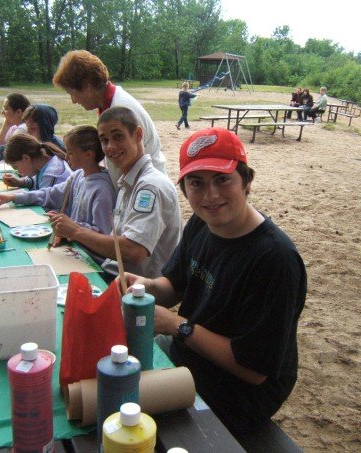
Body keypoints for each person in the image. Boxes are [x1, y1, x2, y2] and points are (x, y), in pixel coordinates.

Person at [125, 127, 307, 435]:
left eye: (222, 179)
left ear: (247, 181)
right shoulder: (201, 223)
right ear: (184, 189)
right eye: (197, 183)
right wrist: (144, 287)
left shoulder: (275, 259)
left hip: (238, 392)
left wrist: (175, 325)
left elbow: (254, 371)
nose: (210, 196)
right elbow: (175, 285)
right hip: (190, 354)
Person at [49, 106, 181, 279]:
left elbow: (134, 251)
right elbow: (114, 242)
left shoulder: (150, 187)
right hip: (114, 274)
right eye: (104, 140)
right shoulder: (127, 182)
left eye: (118, 136)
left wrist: (76, 232)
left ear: (138, 135)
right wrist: (73, 235)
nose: (110, 147)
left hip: (137, 292)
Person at [52, 50, 166, 187]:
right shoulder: (110, 104)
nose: (73, 101)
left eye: (72, 93)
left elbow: (130, 158)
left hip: (143, 187)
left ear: (87, 86)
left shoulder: (121, 107)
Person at [0, 125, 115, 237]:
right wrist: (14, 197)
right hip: (73, 242)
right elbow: (50, 194)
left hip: (91, 254)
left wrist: (70, 226)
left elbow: (102, 234)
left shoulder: (102, 190)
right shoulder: (78, 175)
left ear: (88, 155)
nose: (66, 157)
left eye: (70, 153)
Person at [0, 133, 71, 191]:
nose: (18, 171)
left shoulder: (52, 174)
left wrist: (15, 197)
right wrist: (19, 182)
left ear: (26, 158)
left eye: (16, 167)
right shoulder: (41, 165)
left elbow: (44, 202)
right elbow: (36, 182)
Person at [0, 93, 31, 169]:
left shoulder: (23, 129)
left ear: (18, 112)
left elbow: (6, 152)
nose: (2, 112)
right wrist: (6, 125)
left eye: (6, 109)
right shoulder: (13, 127)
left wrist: (6, 124)